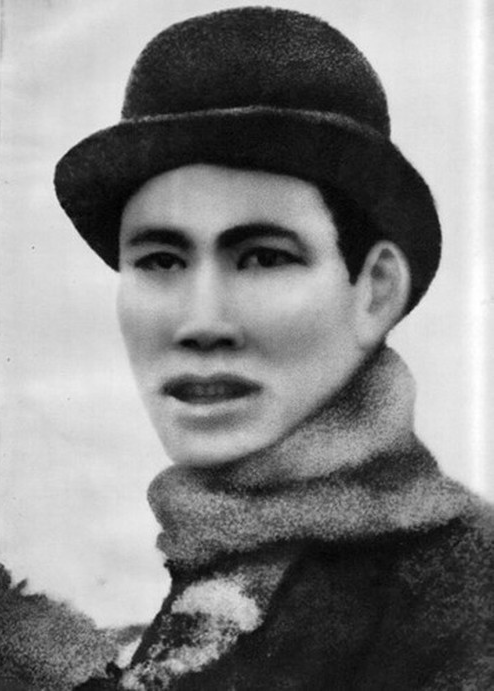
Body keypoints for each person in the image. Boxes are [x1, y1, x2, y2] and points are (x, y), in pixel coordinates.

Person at [52, 7, 493, 690]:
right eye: (161, 260)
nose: (201, 322)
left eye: (262, 257)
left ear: (375, 292)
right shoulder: (222, 558)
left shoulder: (464, 597)